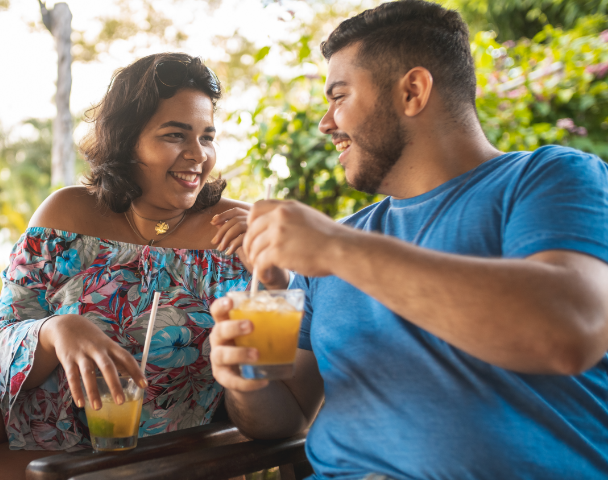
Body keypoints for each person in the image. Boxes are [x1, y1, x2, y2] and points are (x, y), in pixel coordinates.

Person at [0, 52, 275, 480]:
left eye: (207, 136)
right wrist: (54, 330)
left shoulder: (235, 234)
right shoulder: (66, 213)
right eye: (175, 135)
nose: (198, 154)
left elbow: (272, 374)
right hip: (30, 420)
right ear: (127, 140)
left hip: (148, 445)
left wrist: (273, 275)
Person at [209, 2, 608, 479]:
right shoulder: (345, 239)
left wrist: (335, 248)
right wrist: (244, 377)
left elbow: (569, 330)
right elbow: (286, 416)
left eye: (339, 96)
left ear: (413, 91)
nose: (326, 123)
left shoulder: (549, 178)